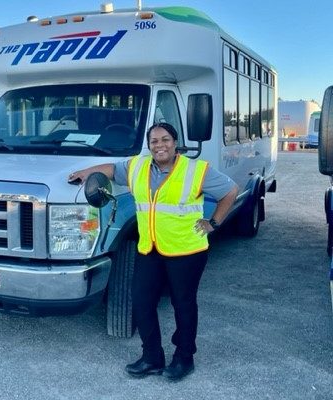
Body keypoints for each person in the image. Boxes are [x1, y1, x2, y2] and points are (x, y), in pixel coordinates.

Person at [68, 122, 238, 381]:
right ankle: (152, 357)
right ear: (149, 146)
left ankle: (184, 358)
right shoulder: (137, 166)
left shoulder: (195, 170)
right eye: (155, 141)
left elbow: (230, 190)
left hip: (187, 250)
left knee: (183, 304)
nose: (160, 145)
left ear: (175, 142)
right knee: (141, 300)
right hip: (150, 247)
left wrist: (213, 222)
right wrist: (86, 172)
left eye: (165, 139)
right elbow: (112, 170)